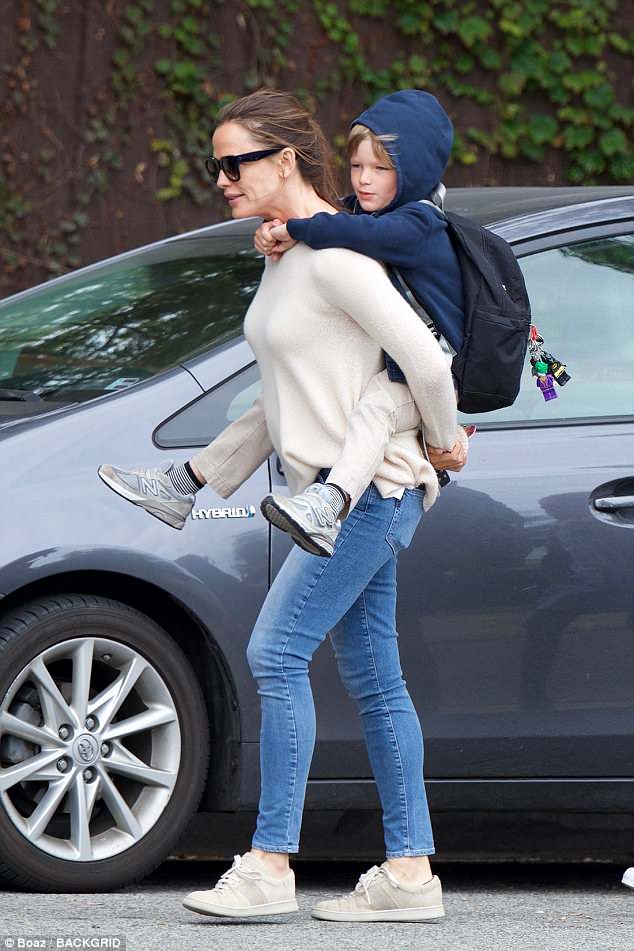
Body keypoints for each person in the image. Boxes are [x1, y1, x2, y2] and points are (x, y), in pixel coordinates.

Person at [100, 86, 467, 922]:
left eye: (236, 164)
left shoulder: (337, 257)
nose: (222, 179)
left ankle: (270, 863)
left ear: (286, 159)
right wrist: (203, 474)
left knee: (275, 653)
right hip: (333, 494)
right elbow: (290, 388)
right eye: (217, 165)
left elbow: (426, 362)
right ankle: (410, 874)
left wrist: (445, 443)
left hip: (370, 492)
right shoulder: (291, 252)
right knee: (376, 678)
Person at [255, 89, 470, 555]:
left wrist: (296, 229)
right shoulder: (366, 211)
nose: (365, 179)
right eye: (356, 166)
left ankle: (330, 501)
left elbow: (352, 231)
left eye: (382, 168)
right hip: (402, 371)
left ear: (414, 172)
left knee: (376, 406)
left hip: (433, 373)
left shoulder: (418, 223)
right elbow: (334, 217)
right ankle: (187, 480)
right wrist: (279, 228)